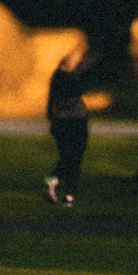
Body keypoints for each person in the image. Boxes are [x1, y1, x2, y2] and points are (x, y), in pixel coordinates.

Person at [44, 33, 93, 207]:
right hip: (76, 121)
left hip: (60, 120)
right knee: (75, 158)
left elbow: (51, 100)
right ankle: (68, 196)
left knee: (66, 156)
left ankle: (55, 181)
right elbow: (80, 86)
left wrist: (51, 119)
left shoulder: (56, 77)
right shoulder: (72, 78)